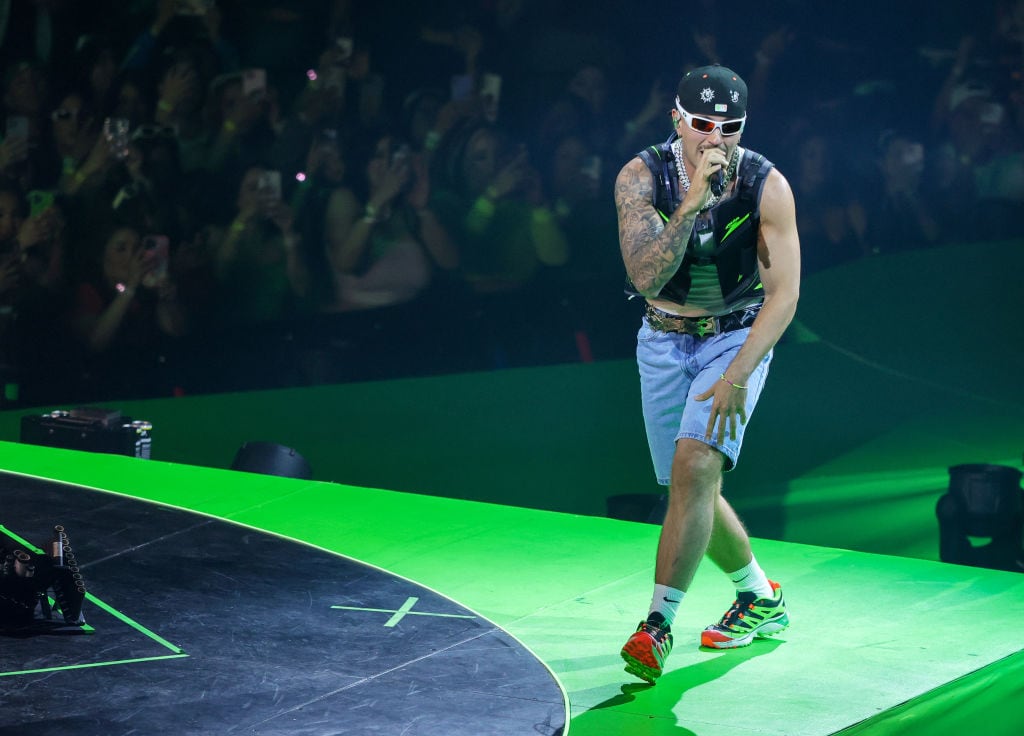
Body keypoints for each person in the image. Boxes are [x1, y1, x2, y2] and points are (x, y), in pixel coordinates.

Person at [614, 65, 800, 684]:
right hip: (663, 340)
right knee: (688, 487)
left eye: (728, 128)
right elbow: (644, 276)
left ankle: (656, 626)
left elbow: (785, 297)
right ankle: (760, 598)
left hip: (736, 336)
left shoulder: (766, 186)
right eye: (701, 125)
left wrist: (739, 375)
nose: (713, 140)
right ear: (676, 121)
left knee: (696, 466)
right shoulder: (642, 177)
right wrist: (693, 198)